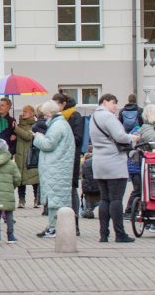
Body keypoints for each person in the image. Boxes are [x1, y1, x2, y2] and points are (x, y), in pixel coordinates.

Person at [88, 93, 136, 243]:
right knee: (116, 199)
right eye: (113, 103)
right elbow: (120, 136)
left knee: (104, 199)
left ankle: (104, 234)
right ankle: (120, 234)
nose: (115, 106)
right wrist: (132, 138)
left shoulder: (93, 117)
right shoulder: (108, 117)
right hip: (114, 163)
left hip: (99, 163)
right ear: (105, 102)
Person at [33, 99, 75, 238]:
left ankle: (54, 228)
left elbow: (49, 144)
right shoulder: (61, 124)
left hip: (55, 167)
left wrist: (37, 137)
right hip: (59, 167)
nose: (44, 118)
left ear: (51, 113)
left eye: (45, 115)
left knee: (54, 200)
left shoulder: (57, 126)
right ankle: (53, 226)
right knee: (57, 199)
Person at [53, 91, 84, 235]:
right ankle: (57, 224)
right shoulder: (56, 118)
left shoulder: (74, 116)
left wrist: (61, 139)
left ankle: (75, 224)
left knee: (71, 191)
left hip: (71, 159)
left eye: (56, 104)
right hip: (58, 158)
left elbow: (78, 138)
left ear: (63, 104)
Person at [13, 105, 40, 208]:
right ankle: (21, 200)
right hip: (20, 156)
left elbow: (28, 136)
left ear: (32, 113)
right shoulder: (19, 125)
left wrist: (16, 129)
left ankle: (37, 199)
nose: (24, 113)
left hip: (31, 156)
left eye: (26, 111)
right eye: (23, 111)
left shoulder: (35, 125)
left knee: (34, 179)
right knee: (21, 180)